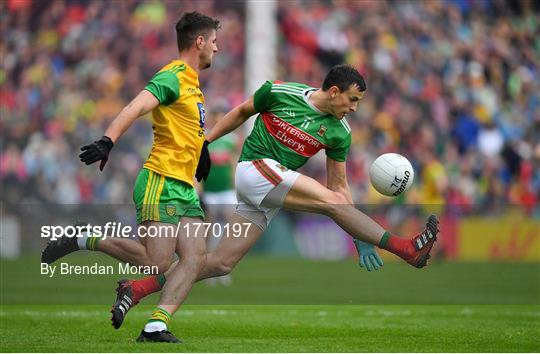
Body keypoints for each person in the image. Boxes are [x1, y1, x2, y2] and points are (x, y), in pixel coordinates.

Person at [109, 64, 439, 338]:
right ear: (334, 91)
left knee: (220, 263)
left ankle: (139, 290)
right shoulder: (280, 92)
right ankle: (404, 248)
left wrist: (360, 236)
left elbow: (339, 188)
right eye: (352, 99)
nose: (354, 108)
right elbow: (240, 112)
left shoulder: (340, 132)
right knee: (328, 203)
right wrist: (204, 144)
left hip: (271, 189)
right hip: (254, 169)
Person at [41, 11, 220, 343]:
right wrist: (107, 140)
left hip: (183, 186)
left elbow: (184, 128)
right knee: (157, 263)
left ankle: (156, 325)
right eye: (213, 41)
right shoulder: (173, 75)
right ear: (199, 42)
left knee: (196, 258)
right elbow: (135, 107)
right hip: (160, 181)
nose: (217, 48)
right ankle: (86, 237)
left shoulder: (193, 83)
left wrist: (202, 148)